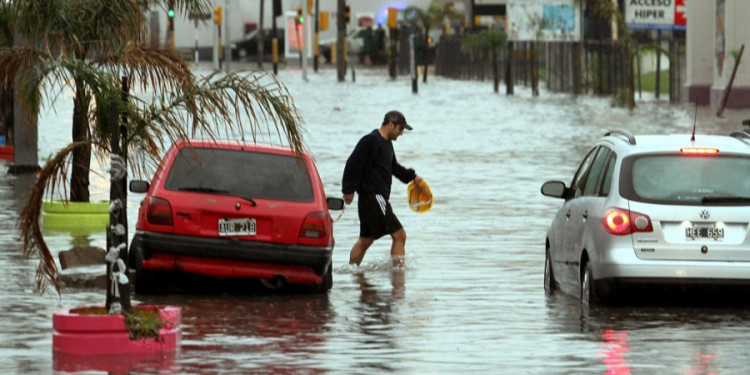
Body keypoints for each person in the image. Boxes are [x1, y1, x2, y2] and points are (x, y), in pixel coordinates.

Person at [342, 110, 423, 267]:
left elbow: (394, 168)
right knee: (400, 236)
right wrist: (348, 190)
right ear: (391, 125)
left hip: (370, 200)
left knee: (366, 240)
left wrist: (413, 177)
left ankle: (351, 272)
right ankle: (399, 278)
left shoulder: (387, 145)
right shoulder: (370, 140)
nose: (401, 134)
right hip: (374, 197)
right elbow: (352, 164)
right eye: (400, 129)